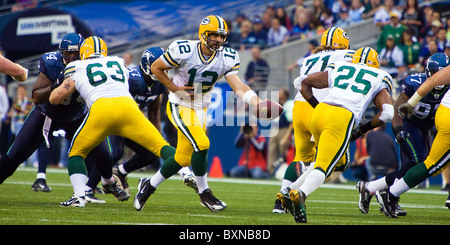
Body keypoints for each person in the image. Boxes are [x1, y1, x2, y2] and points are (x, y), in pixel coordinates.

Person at [141, 15, 269, 213]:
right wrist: (175, 88)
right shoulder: (183, 49)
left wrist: (257, 102)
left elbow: (238, 86)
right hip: (180, 104)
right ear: (203, 34)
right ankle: (205, 192)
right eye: (214, 35)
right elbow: (156, 67)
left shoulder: (228, 56)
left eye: (221, 36)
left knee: (183, 158)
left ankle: (148, 185)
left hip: (202, 107)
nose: (218, 40)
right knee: (202, 144)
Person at [49, 36, 177, 208]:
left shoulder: (76, 66)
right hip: (129, 107)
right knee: (162, 148)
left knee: (77, 153)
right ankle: (171, 173)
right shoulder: (118, 62)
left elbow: (55, 99)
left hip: (102, 109)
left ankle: (79, 196)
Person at [280, 46, 395, 223]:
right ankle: (301, 194)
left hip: (319, 113)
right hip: (342, 116)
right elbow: (387, 113)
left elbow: (300, 82)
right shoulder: (379, 75)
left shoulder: (341, 67)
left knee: (324, 159)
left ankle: (289, 191)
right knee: (325, 166)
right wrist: (363, 129)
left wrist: (317, 107)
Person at [357, 52, 449, 216]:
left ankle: (372, 188)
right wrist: (398, 130)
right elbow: (398, 110)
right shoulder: (414, 83)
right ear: (428, 71)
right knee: (419, 161)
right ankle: (388, 196)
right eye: (434, 72)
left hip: (427, 128)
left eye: (440, 72)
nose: (437, 76)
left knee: (420, 165)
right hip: (409, 123)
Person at [274, 27, 355, 213]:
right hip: (318, 106)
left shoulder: (309, 58)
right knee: (338, 161)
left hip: (299, 106)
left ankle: (281, 201)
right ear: (343, 45)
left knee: (301, 157)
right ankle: (295, 192)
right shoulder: (347, 55)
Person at [111, 47, 197, 195]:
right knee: (114, 153)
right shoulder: (133, 79)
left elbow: (154, 111)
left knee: (151, 154)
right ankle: (89, 188)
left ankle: (119, 172)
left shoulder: (158, 84)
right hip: (113, 119)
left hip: (131, 122)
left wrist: (157, 137)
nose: (163, 70)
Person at [8, 84, 36, 168]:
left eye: (21, 90)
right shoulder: (16, 100)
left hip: (26, 123)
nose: (20, 92)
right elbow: (11, 112)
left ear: (25, 91)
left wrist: (19, 107)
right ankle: (21, 160)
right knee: (18, 143)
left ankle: (33, 161)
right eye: (18, 91)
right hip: (17, 123)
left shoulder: (29, 100)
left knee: (30, 142)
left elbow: (28, 112)